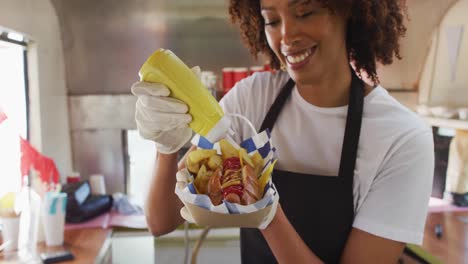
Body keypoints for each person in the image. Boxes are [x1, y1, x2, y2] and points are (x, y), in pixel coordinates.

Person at [131, 0, 435, 263]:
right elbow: (161, 221)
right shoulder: (252, 100)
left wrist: (268, 215)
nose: (286, 35)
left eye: (305, 13)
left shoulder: (402, 139)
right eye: (272, 21)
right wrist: (166, 147)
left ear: (349, 11)